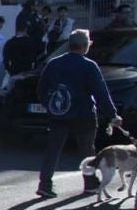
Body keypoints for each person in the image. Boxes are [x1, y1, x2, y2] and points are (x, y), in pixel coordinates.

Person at [36, 29, 122, 198]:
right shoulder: (88, 65)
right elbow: (100, 92)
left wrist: (50, 105)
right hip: (84, 113)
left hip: (59, 112)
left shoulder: (53, 63)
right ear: (85, 46)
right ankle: (90, 183)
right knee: (86, 150)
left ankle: (44, 184)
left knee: (53, 149)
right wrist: (112, 114)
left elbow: (41, 89)